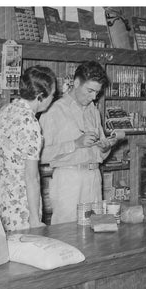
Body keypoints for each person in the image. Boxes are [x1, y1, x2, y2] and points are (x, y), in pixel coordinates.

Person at [39, 61, 117, 224]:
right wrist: (75, 144)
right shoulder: (54, 111)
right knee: (66, 233)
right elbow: (40, 155)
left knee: (95, 232)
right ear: (76, 83)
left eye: (97, 92)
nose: (94, 97)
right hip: (68, 179)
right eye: (90, 91)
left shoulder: (93, 110)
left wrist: (105, 148)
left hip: (94, 177)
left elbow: (100, 152)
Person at [0, 65, 56, 232]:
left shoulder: (4, 111)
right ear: (40, 96)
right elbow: (31, 177)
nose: (53, 99)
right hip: (20, 209)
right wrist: (34, 219)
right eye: (52, 95)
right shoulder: (29, 123)